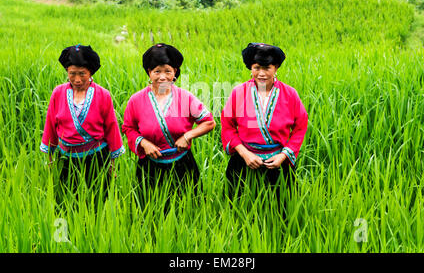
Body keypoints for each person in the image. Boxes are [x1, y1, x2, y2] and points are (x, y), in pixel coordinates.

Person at [221, 42, 308, 207]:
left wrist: (283, 156)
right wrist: (245, 154)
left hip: (277, 161)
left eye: (267, 68)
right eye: (256, 68)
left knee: (282, 210)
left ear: (275, 68)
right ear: (251, 68)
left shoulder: (290, 94)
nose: (261, 73)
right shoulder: (238, 93)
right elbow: (227, 126)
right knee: (239, 208)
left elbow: (300, 126)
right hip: (244, 160)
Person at [122, 43, 216, 195]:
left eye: (168, 71)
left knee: (187, 208)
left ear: (175, 72)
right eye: (157, 71)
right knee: (150, 210)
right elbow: (128, 128)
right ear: (149, 72)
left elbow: (209, 122)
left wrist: (187, 136)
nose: (162, 76)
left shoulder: (185, 97)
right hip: (149, 167)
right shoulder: (136, 100)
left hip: (182, 165)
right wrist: (144, 143)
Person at [40, 44, 125, 197]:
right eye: (72, 74)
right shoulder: (58, 93)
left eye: (82, 74)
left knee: (99, 199)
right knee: (68, 200)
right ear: (67, 71)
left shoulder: (103, 95)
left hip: (96, 157)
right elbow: (50, 125)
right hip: (66, 158)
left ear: (90, 72)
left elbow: (111, 127)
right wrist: (50, 158)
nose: (77, 79)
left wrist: (112, 163)